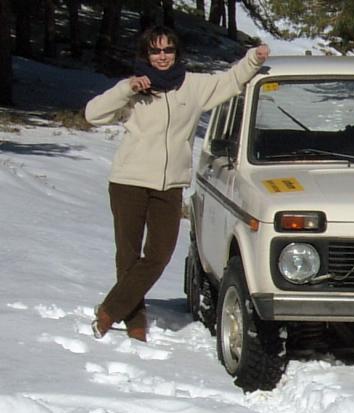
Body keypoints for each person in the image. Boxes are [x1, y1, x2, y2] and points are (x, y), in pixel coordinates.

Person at [85, 25, 270, 342]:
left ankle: (110, 309)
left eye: (167, 50)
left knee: (159, 254)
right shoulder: (134, 90)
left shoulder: (192, 86)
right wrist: (127, 89)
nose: (161, 57)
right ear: (146, 54)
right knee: (127, 255)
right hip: (128, 181)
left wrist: (254, 59)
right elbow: (93, 114)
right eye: (155, 51)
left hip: (170, 185)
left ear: (176, 53)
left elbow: (229, 81)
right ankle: (135, 319)